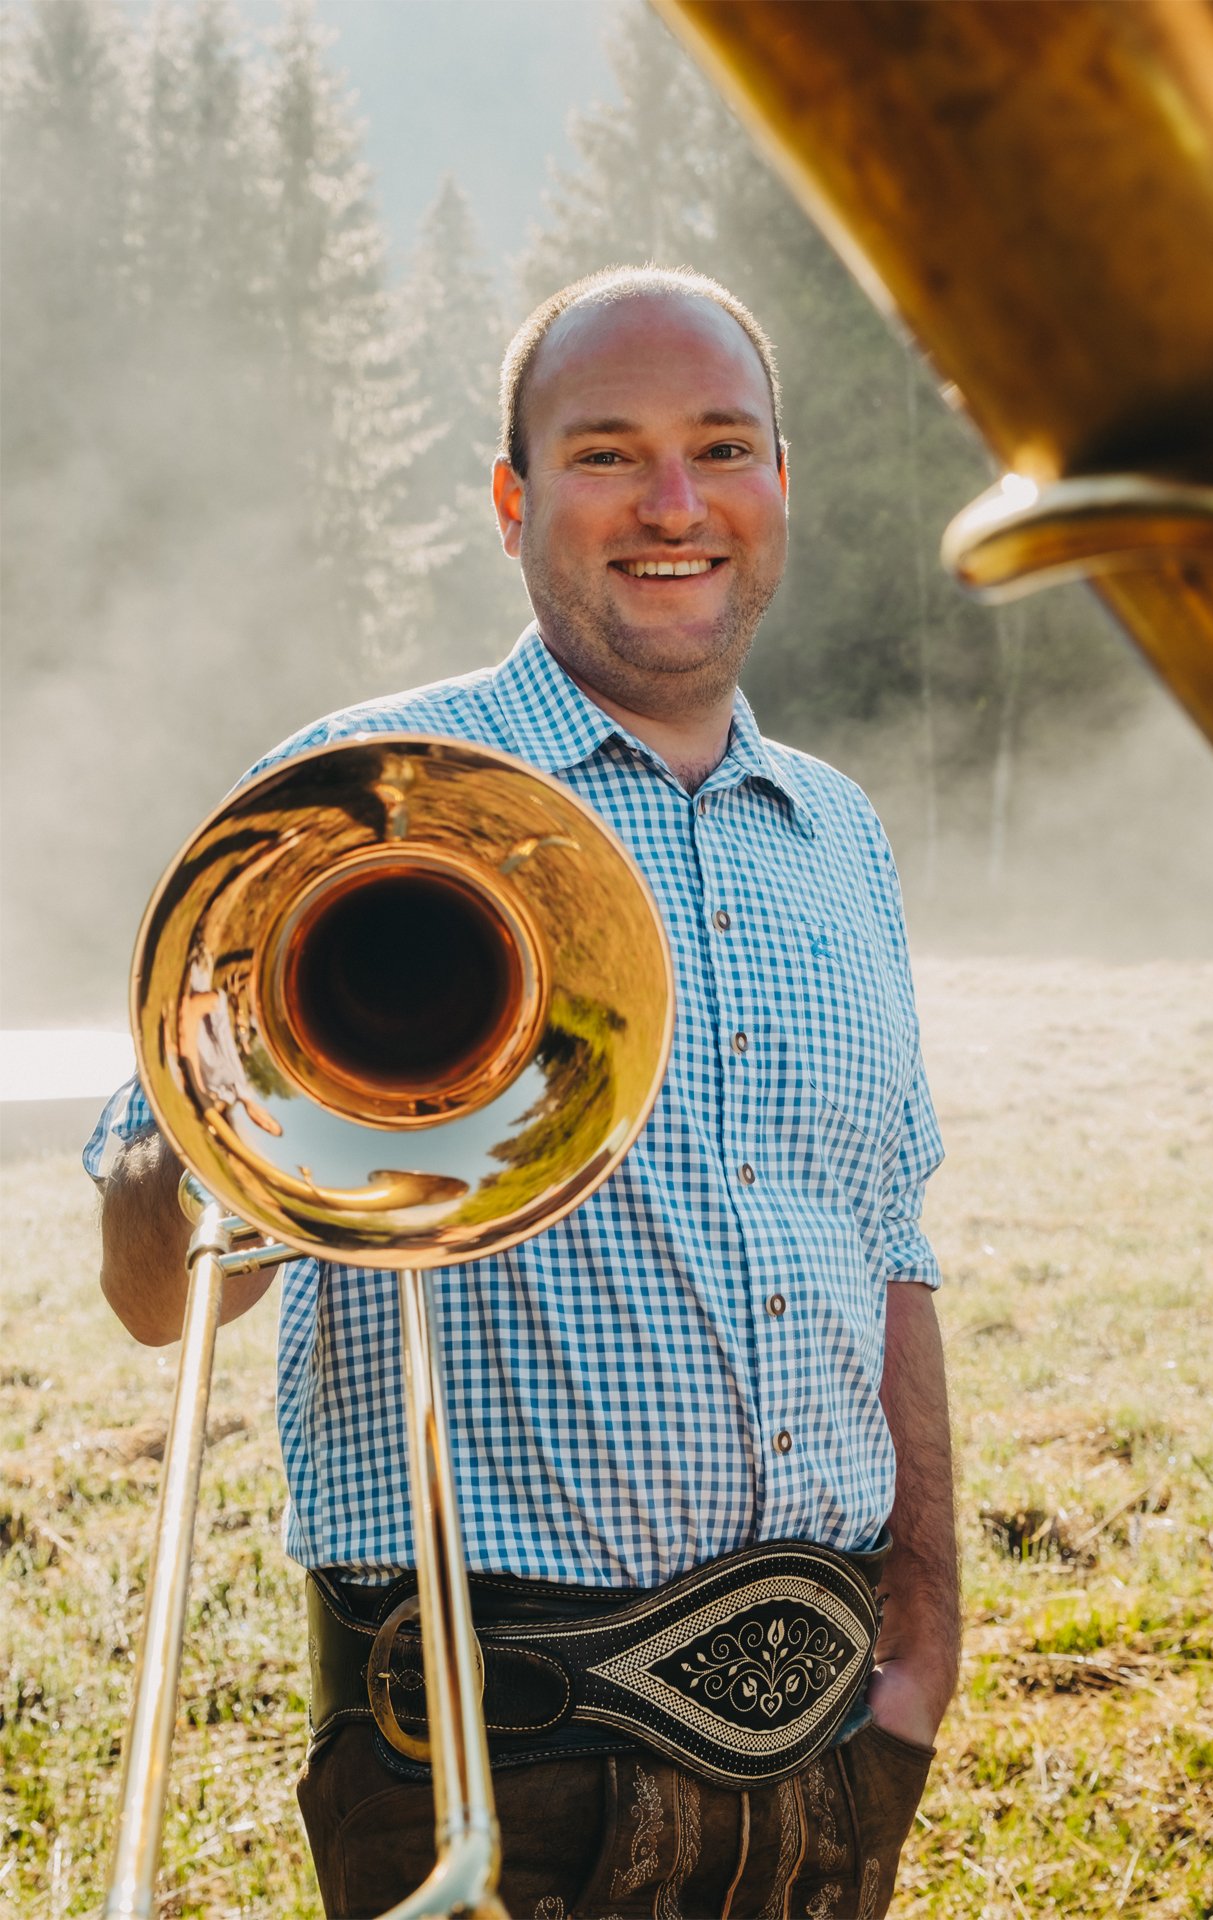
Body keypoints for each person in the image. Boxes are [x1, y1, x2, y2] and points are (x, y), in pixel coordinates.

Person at [88, 266, 959, 1920]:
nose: (676, 504)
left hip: (832, 1753)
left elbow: (888, 1241)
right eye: (607, 454)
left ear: (783, 483)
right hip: (489, 1770)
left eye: (722, 447)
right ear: (512, 499)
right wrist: (220, 1130)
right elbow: (149, 1295)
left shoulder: (839, 833)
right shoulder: (361, 786)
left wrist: (924, 1642)